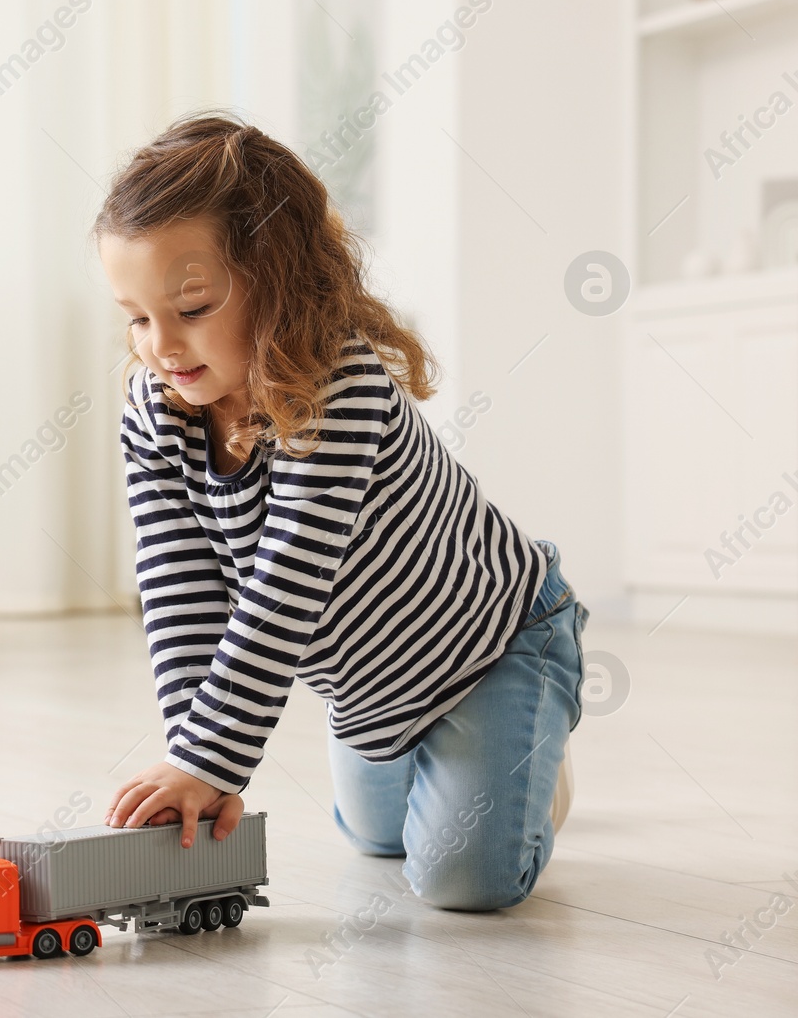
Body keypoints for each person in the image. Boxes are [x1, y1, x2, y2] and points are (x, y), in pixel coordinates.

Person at [97, 113, 588, 911]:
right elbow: (181, 595)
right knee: (375, 839)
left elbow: (283, 588)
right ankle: (479, 768)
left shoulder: (336, 385)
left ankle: (536, 737)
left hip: (494, 646)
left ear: (276, 278)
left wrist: (212, 761)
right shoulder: (155, 413)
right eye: (137, 315)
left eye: (191, 307)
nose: (160, 345)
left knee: (463, 880)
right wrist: (199, 762)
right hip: (369, 686)